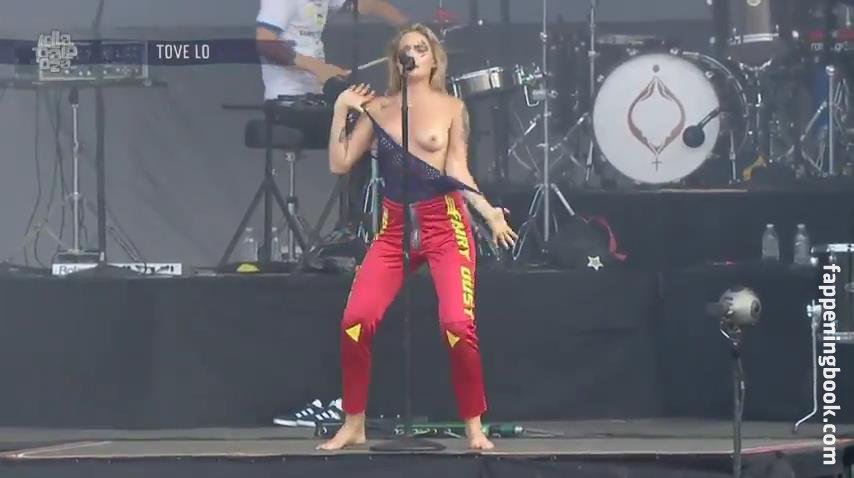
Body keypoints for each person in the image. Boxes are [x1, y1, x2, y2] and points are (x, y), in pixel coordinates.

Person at [318, 23, 518, 451]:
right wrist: (340, 110)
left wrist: (488, 213)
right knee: (355, 322)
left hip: (445, 226)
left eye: (421, 48)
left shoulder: (452, 108)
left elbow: (458, 170)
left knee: (457, 325)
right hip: (394, 229)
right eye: (405, 48)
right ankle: (353, 423)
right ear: (397, 60)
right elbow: (339, 163)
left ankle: (474, 427)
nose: (412, 53)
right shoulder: (379, 109)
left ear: (433, 60)